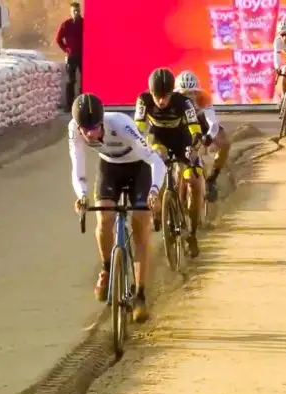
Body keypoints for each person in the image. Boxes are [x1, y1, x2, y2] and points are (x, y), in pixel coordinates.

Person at [69, 93, 164, 322]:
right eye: (85, 129)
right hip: (109, 169)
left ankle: (140, 295)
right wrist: (81, 195)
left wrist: (153, 191)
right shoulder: (74, 129)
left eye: (94, 127)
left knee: (140, 225)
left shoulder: (121, 125)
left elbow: (155, 161)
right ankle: (107, 268)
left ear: (102, 122)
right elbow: (78, 168)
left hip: (138, 167)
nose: (90, 134)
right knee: (104, 218)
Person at [134, 68, 205, 258]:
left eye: (165, 96)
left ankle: (192, 233)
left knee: (194, 181)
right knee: (157, 159)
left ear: (172, 92)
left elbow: (195, 131)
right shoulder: (144, 100)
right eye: (157, 96)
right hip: (158, 140)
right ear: (150, 92)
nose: (161, 101)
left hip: (183, 141)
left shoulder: (184, 102)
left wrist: (195, 148)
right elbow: (138, 129)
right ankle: (159, 206)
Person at [174, 70, 231, 202]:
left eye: (192, 92)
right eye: (184, 94)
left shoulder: (203, 98)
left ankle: (212, 179)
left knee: (225, 143)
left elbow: (213, 123)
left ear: (197, 92)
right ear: (177, 93)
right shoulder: (172, 101)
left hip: (201, 121)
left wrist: (209, 137)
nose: (189, 96)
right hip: (182, 124)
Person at [55, 2, 84, 112]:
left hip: (83, 56)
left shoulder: (84, 23)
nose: (76, 13)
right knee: (71, 80)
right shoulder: (66, 24)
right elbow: (58, 38)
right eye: (74, 11)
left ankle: (84, 103)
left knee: (85, 81)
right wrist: (66, 49)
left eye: (77, 11)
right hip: (71, 56)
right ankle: (69, 105)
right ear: (70, 12)